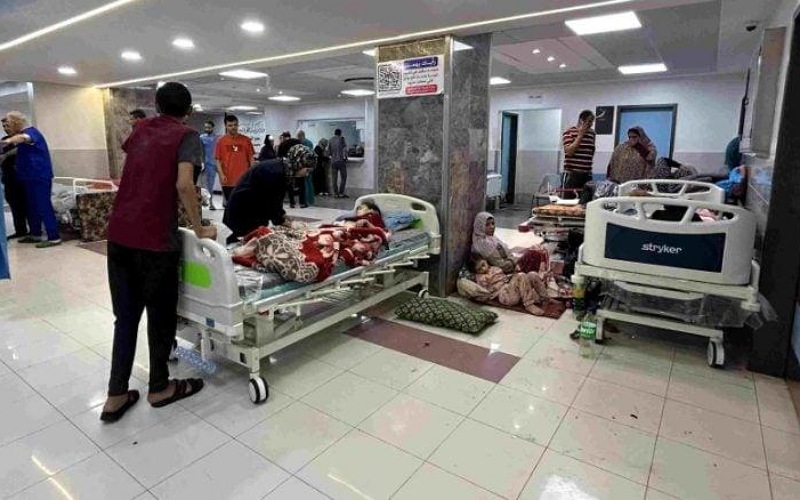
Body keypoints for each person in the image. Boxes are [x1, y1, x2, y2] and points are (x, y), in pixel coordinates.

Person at [100, 82, 216, 423]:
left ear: (157, 106)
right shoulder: (186, 135)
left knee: (125, 318)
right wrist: (199, 228)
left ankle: (116, 395)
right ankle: (160, 387)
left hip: (119, 235)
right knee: (160, 315)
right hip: (155, 239)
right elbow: (184, 184)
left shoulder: (140, 130)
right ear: (189, 111)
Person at [223, 144, 316, 244]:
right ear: (298, 163)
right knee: (242, 245)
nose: (307, 174)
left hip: (250, 210)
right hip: (242, 213)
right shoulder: (275, 172)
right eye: (307, 170)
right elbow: (270, 203)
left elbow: (275, 201)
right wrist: (285, 222)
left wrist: (283, 217)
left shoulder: (282, 168)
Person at [0, 112, 61, 248]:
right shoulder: (23, 136)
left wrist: (7, 141)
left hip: (39, 176)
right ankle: (35, 234)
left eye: (9, 125)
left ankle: (54, 237)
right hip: (28, 177)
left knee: (43, 206)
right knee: (31, 206)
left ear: (16, 123)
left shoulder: (31, 132)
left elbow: (24, 138)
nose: (7, 129)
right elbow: (19, 150)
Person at [469, 255, 548, 315]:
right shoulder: (480, 277)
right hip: (505, 295)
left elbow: (504, 278)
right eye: (479, 269)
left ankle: (544, 298)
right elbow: (486, 291)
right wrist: (491, 284)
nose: (483, 269)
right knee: (521, 275)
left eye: (483, 265)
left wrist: (510, 277)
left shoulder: (494, 268)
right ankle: (529, 305)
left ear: (485, 261)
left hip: (512, 289)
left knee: (532, 274)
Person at [215, 114, 255, 205]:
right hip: (227, 180)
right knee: (231, 204)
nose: (233, 127)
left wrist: (252, 174)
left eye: (235, 125)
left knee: (243, 204)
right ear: (225, 126)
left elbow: (251, 158)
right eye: (230, 125)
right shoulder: (221, 141)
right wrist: (221, 174)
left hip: (243, 179)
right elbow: (217, 160)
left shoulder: (246, 140)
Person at [1, 117, 28, 239]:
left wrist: (6, 155)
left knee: (25, 204)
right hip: (8, 177)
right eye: (4, 126)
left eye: (8, 125)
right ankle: (20, 230)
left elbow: (20, 150)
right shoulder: (4, 140)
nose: (6, 128)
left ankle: (34, 230)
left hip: (22, 177)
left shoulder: (23, 137)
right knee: (14, 204)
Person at [562, 110, 596, 190]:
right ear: (581, 120)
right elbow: (569, 152)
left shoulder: (592, 134)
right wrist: (580, 135)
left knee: (586, 197)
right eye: (589, 121)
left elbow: (591, 151)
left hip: (587, 175)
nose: (591, 124)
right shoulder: (569, 132)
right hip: (572, 174)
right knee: (569, 198)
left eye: (592, 122)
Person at [278, 137, 309, 208]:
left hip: (288, 165)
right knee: (301, 183)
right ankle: (302, 203)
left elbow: (280, 157)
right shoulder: (299, 144)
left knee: (289, 184)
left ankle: (292, 203)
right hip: (298, 164)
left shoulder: (283, 144)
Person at [199, 120, 219, 210]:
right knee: (203, 184)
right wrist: (201, 163)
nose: (207, 129)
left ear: (213, 127)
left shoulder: (217, 138)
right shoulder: (201, 137)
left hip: (214, 163)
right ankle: (206, 202)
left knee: (211, 184)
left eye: (209, 127)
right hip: (205, 164)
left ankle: (211, 203)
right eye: (206, 127)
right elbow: (199, 151)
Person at [297, 130, 315, 206]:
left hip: (304, 165)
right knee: (309, 182)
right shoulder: (310, 142)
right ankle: (311, 199)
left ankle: (305, 200)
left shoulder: (301, 143)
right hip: (310, 164)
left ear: (300, 136)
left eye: (298, 136)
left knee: (304, 183)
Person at [329, 128, 348, 198]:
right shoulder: (342, 139)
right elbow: (345, 149)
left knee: (334, 178)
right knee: (344, 177)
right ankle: (341, 192)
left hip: (333, 162)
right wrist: (346, 158)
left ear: (334, 133)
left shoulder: (330, 140)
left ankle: (335, 193)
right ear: (340, 133)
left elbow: (329, 152)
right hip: (341, 161)